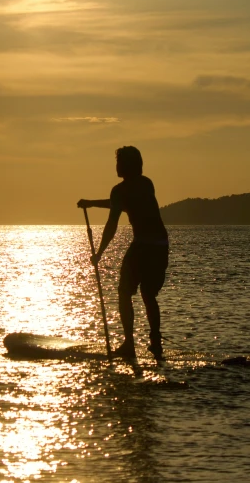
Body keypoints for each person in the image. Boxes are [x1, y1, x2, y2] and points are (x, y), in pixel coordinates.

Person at [77, 146, 169, 361]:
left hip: (144, 246)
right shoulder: (146, 183)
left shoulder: (120, 190)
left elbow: (112, 223)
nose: (116, 167)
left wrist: (99, 253)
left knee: (124, 292)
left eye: (119, 163)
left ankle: (129, 344)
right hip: (161, 245)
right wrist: (91, 203)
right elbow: (120, 203)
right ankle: (155, 342)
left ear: (127, 165)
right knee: (148, 294)